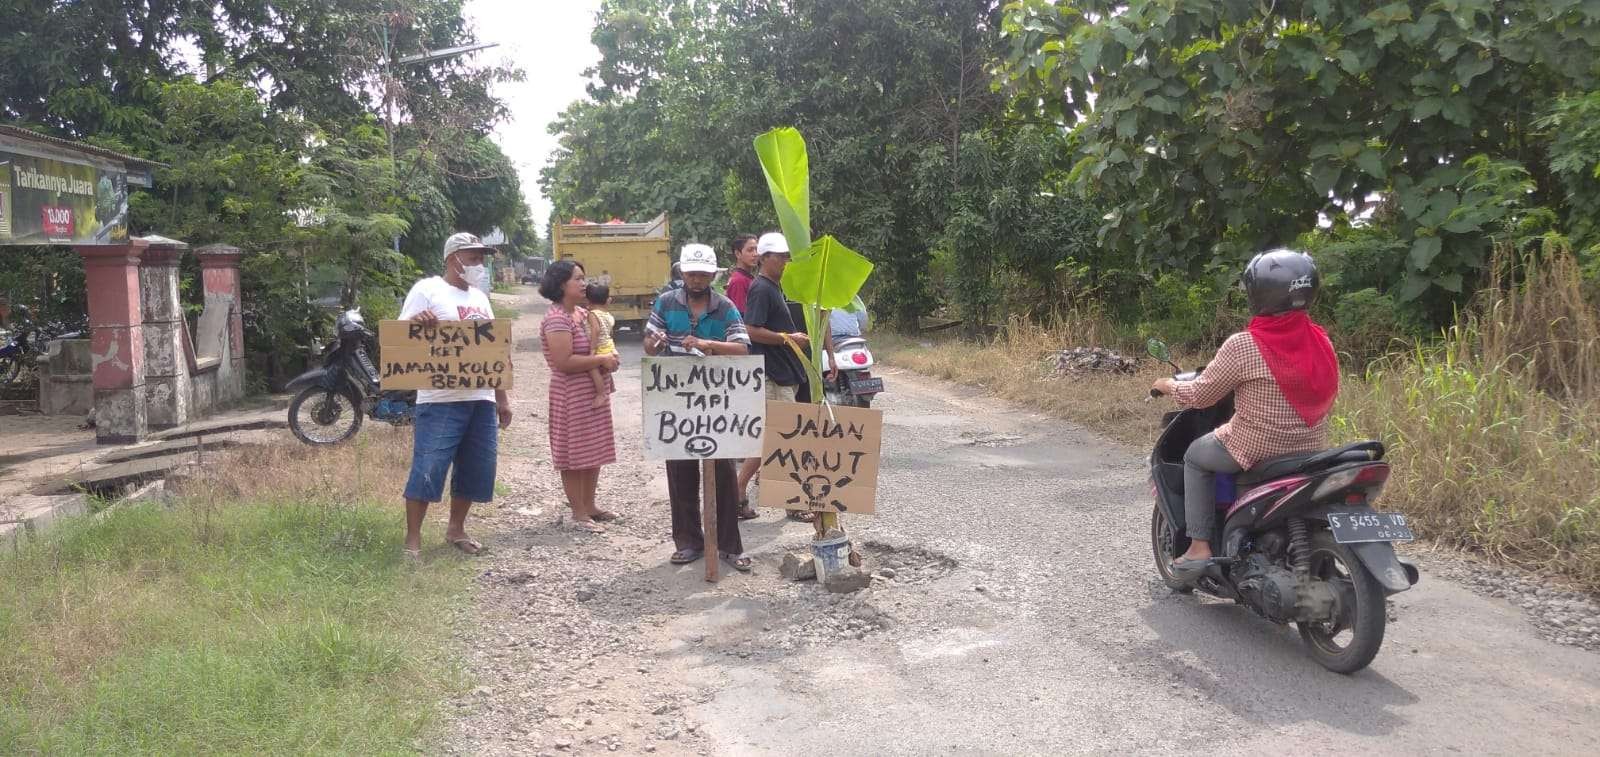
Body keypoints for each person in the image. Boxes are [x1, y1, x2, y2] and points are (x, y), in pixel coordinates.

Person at [1154, 249, 1339, 576]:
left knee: (1196, 456)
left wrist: (1168, 385)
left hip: (1256, 447)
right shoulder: (1321, 339)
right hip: (1311, 449)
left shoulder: (1244, 344)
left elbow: (1200, 395)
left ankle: (1198, 547)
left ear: (1258, 293)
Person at [398, 232, 513, 558]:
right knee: (428, 467)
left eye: (481, 258)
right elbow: (401, 338)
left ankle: (456, 528)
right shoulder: (427, 290)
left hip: (481, 398)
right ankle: (413, 541)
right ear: (454, 259)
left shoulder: (480, 297)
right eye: (474, 258)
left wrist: (501, 398)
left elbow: (496, 350)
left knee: (477, 467)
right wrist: (417, 322)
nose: (480, 264)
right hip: (440, 400)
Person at [644, 244, 755, 571]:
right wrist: (655, 342)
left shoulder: (725, 307)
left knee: (722, 472)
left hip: (717, 401)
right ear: (682, 273)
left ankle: (728, 545)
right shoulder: (666, 303)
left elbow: (742, 349)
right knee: (680, 471)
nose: (695, 279)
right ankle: (689, 541)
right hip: (677, 400)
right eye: (691, 273)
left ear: (711, 276)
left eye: (702, 274)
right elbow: (649, 341)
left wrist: (709, 345)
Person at [540, 259, 621, 533]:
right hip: (571, 393)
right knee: (574, 454)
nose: (583, 283)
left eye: (583, 278)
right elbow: (564, 361)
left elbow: (598, 346)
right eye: (578, 278)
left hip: (590, 390)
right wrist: (601, 360)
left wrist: (608, 358)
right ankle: (578, 512)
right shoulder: (556, 319)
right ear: (562, 284)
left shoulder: (581, 314)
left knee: (593, 450)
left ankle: (590, 505)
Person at [737, 231, 813, 522]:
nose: (784, 261)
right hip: (773, 374)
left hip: (783, 372)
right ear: (765, 258)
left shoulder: (774, 287)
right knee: (782, 439)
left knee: (774, 438)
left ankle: (741, 489)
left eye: (785, 256)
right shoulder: (761, 289)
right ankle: (787, 501)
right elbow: (752, 329)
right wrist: (787, 338)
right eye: (780, 257)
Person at [585, 283, 617, 409]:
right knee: (605, 370)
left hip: (601, 347)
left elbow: (596, 331)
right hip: (610, 346)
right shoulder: (608, 315)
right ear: (607, 300)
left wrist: (592, 350)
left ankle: (601, 393)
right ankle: (611, 386)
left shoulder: (593, 314)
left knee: (592, 367)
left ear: (588, 300)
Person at [724, 234, 759, 313]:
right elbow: (740, 316)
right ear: (738, 254)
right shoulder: (739, 281)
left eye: (756, 250)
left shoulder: (747, 277)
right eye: (750, 250)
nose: (755, 254)